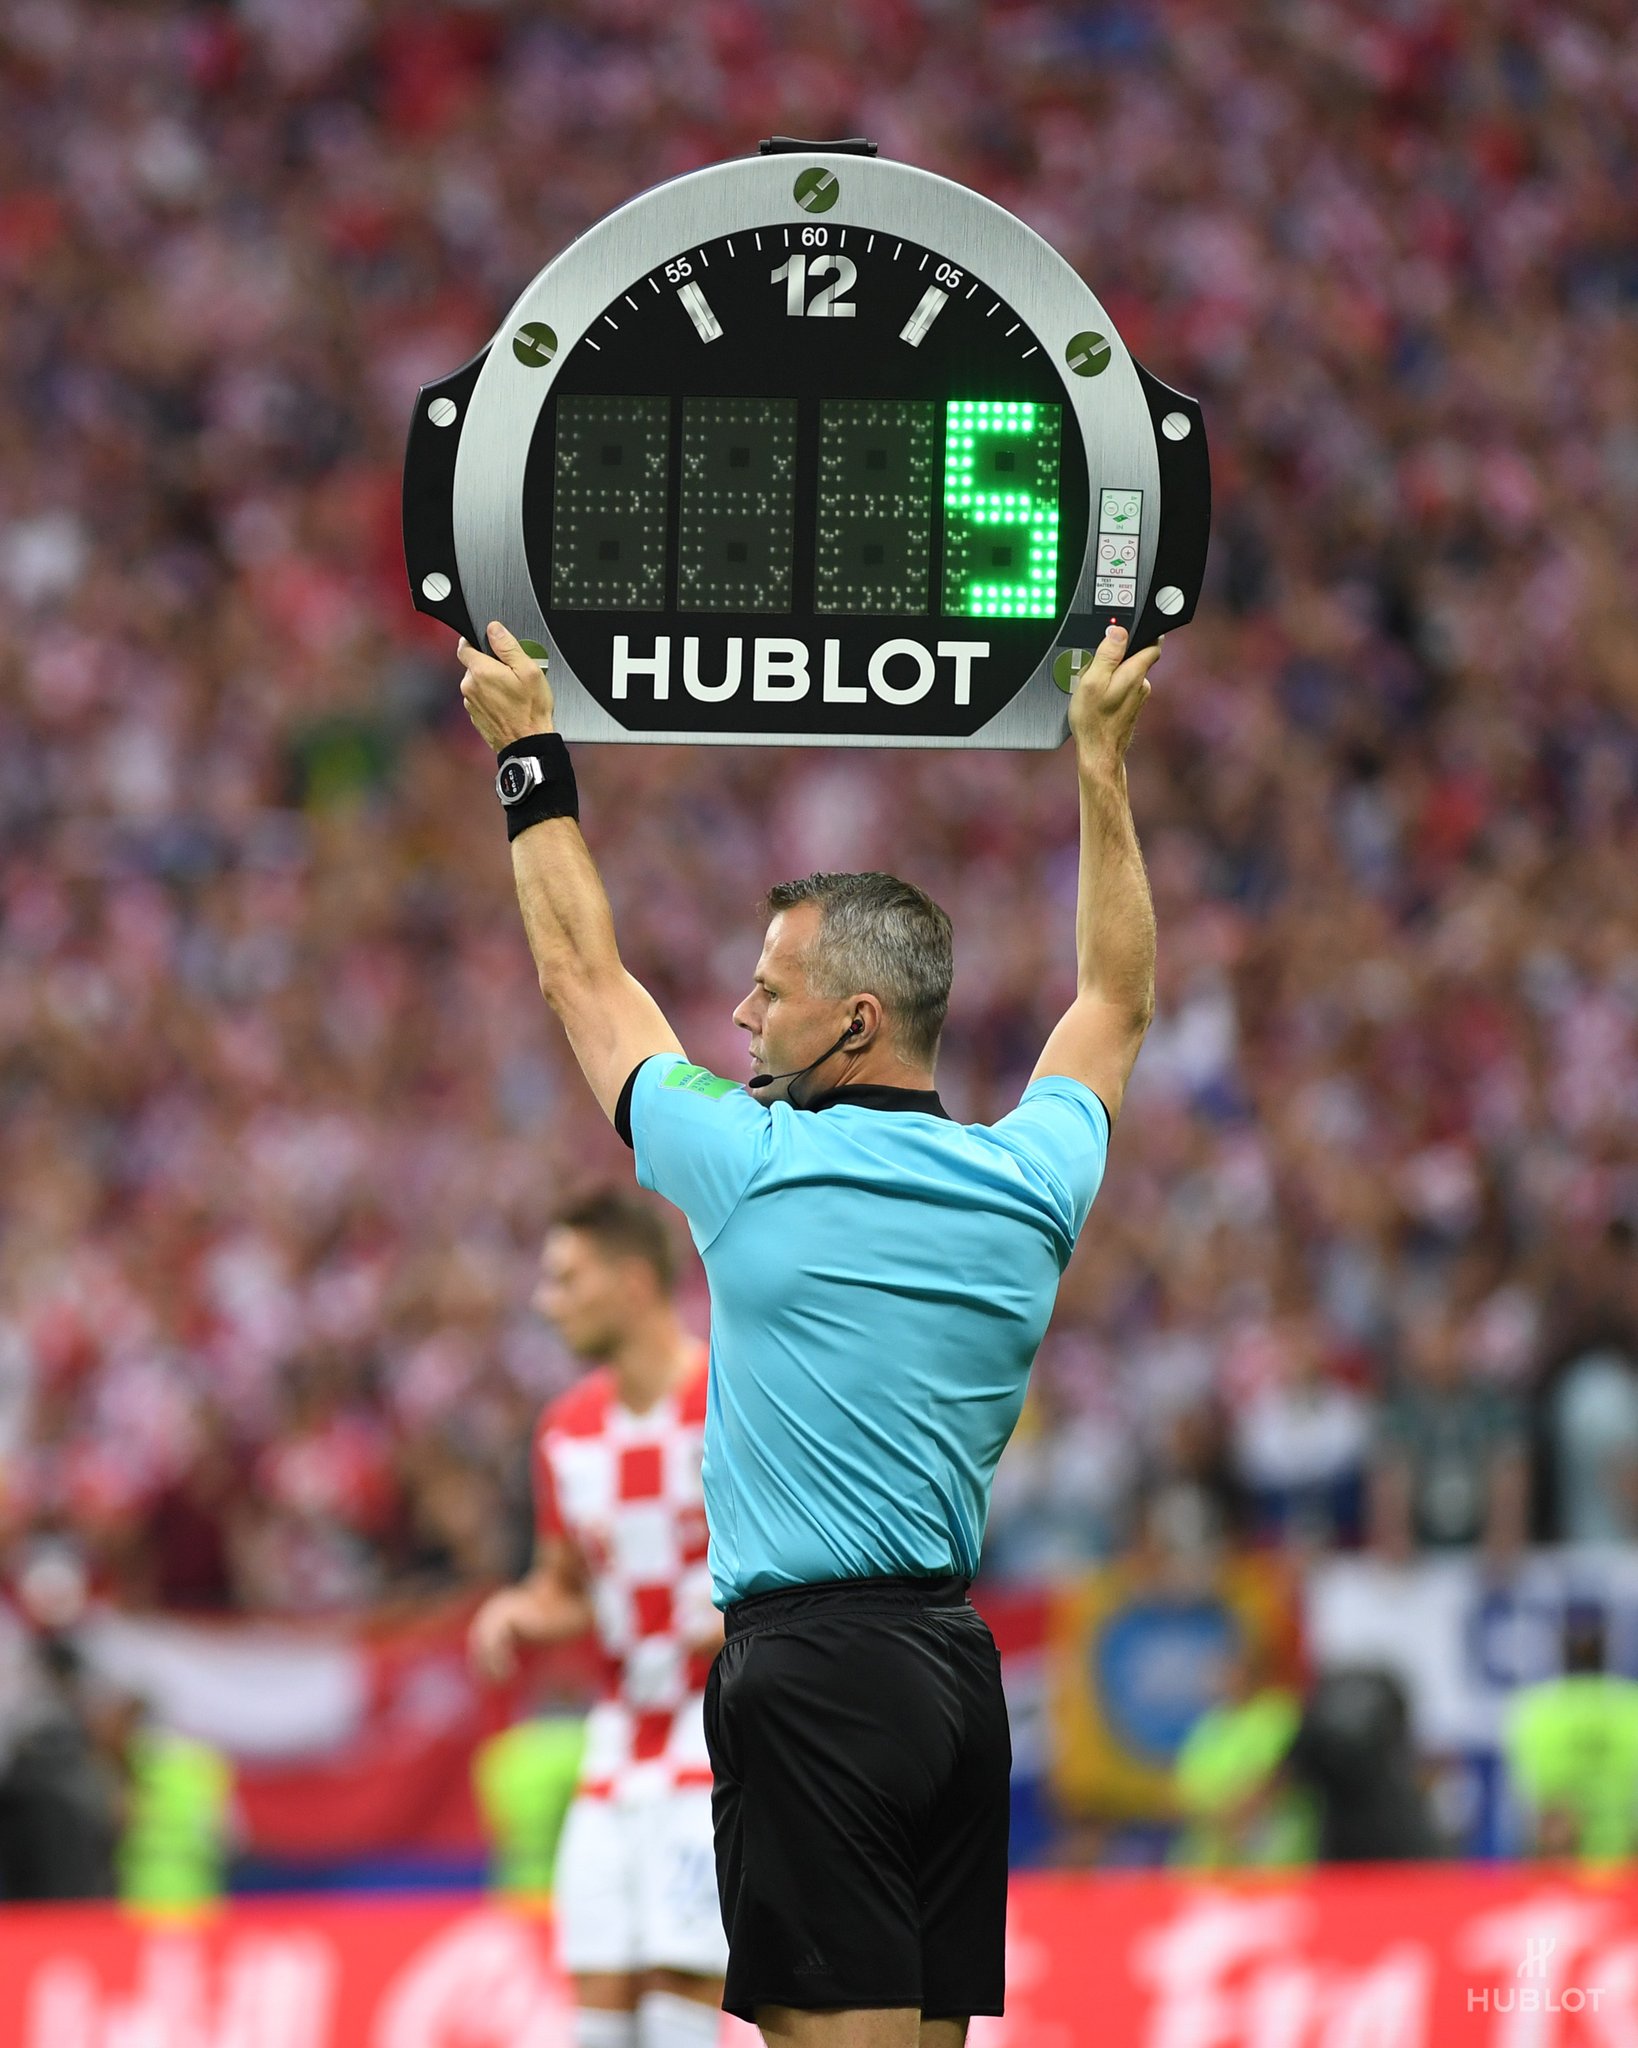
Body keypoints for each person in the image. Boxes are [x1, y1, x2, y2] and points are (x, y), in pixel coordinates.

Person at [455, 615, 1161, 2047]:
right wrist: (1100, 765)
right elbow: (1115, 1001)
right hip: (953, 1675)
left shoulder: (753, 1165)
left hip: (810, 1673)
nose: (738, 1014)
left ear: (854, 1021)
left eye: (769, 992)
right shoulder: (1031, 1178)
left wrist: (529, 753)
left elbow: (585, 981)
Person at [469, 1191, 726, 2048]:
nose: (547, 1302)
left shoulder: (733, 1398)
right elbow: (566, 1585)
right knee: (600, 2007)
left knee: (679, 1996)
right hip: (616, 1741)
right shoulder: (565, 1432)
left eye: (567, 1278)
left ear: (633, 1281)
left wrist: (743, 1615)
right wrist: (523, 1610)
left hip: (719, 1737)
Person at [1506, 1605, 1638, 1866]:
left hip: (1559, 1861)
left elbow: (1532, 1800)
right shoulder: (1630, 1706)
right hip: (1625, 1859)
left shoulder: (1535, 1710)